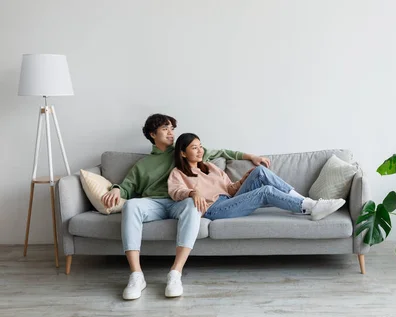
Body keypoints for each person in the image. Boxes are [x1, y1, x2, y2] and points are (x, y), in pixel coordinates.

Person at [101, 114, 271, 300]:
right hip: (154, 203)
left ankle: (175, 273)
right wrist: (117, 190)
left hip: (181, 201)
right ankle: (136, 276)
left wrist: (252, 156)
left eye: (172, 129)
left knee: (192, 205)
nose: (171, 133)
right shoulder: (142, 165)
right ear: (152, 134)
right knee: (132, 206)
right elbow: (127, 186)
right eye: (165, 129)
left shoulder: (184, 151)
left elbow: (223, 153)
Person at [168, 133, 346, 223]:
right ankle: (310, 206)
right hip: (214, 210)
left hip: (230, 199)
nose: (200, 151)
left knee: (259, 171)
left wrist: (242, 181)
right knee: (265, 191)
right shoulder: (178, 173)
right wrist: (192, 193)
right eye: (194, 148)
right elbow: (175, 192)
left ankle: (306, 203)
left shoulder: (210, 167)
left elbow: (229, 189)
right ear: (183, 153)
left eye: (200, 146)